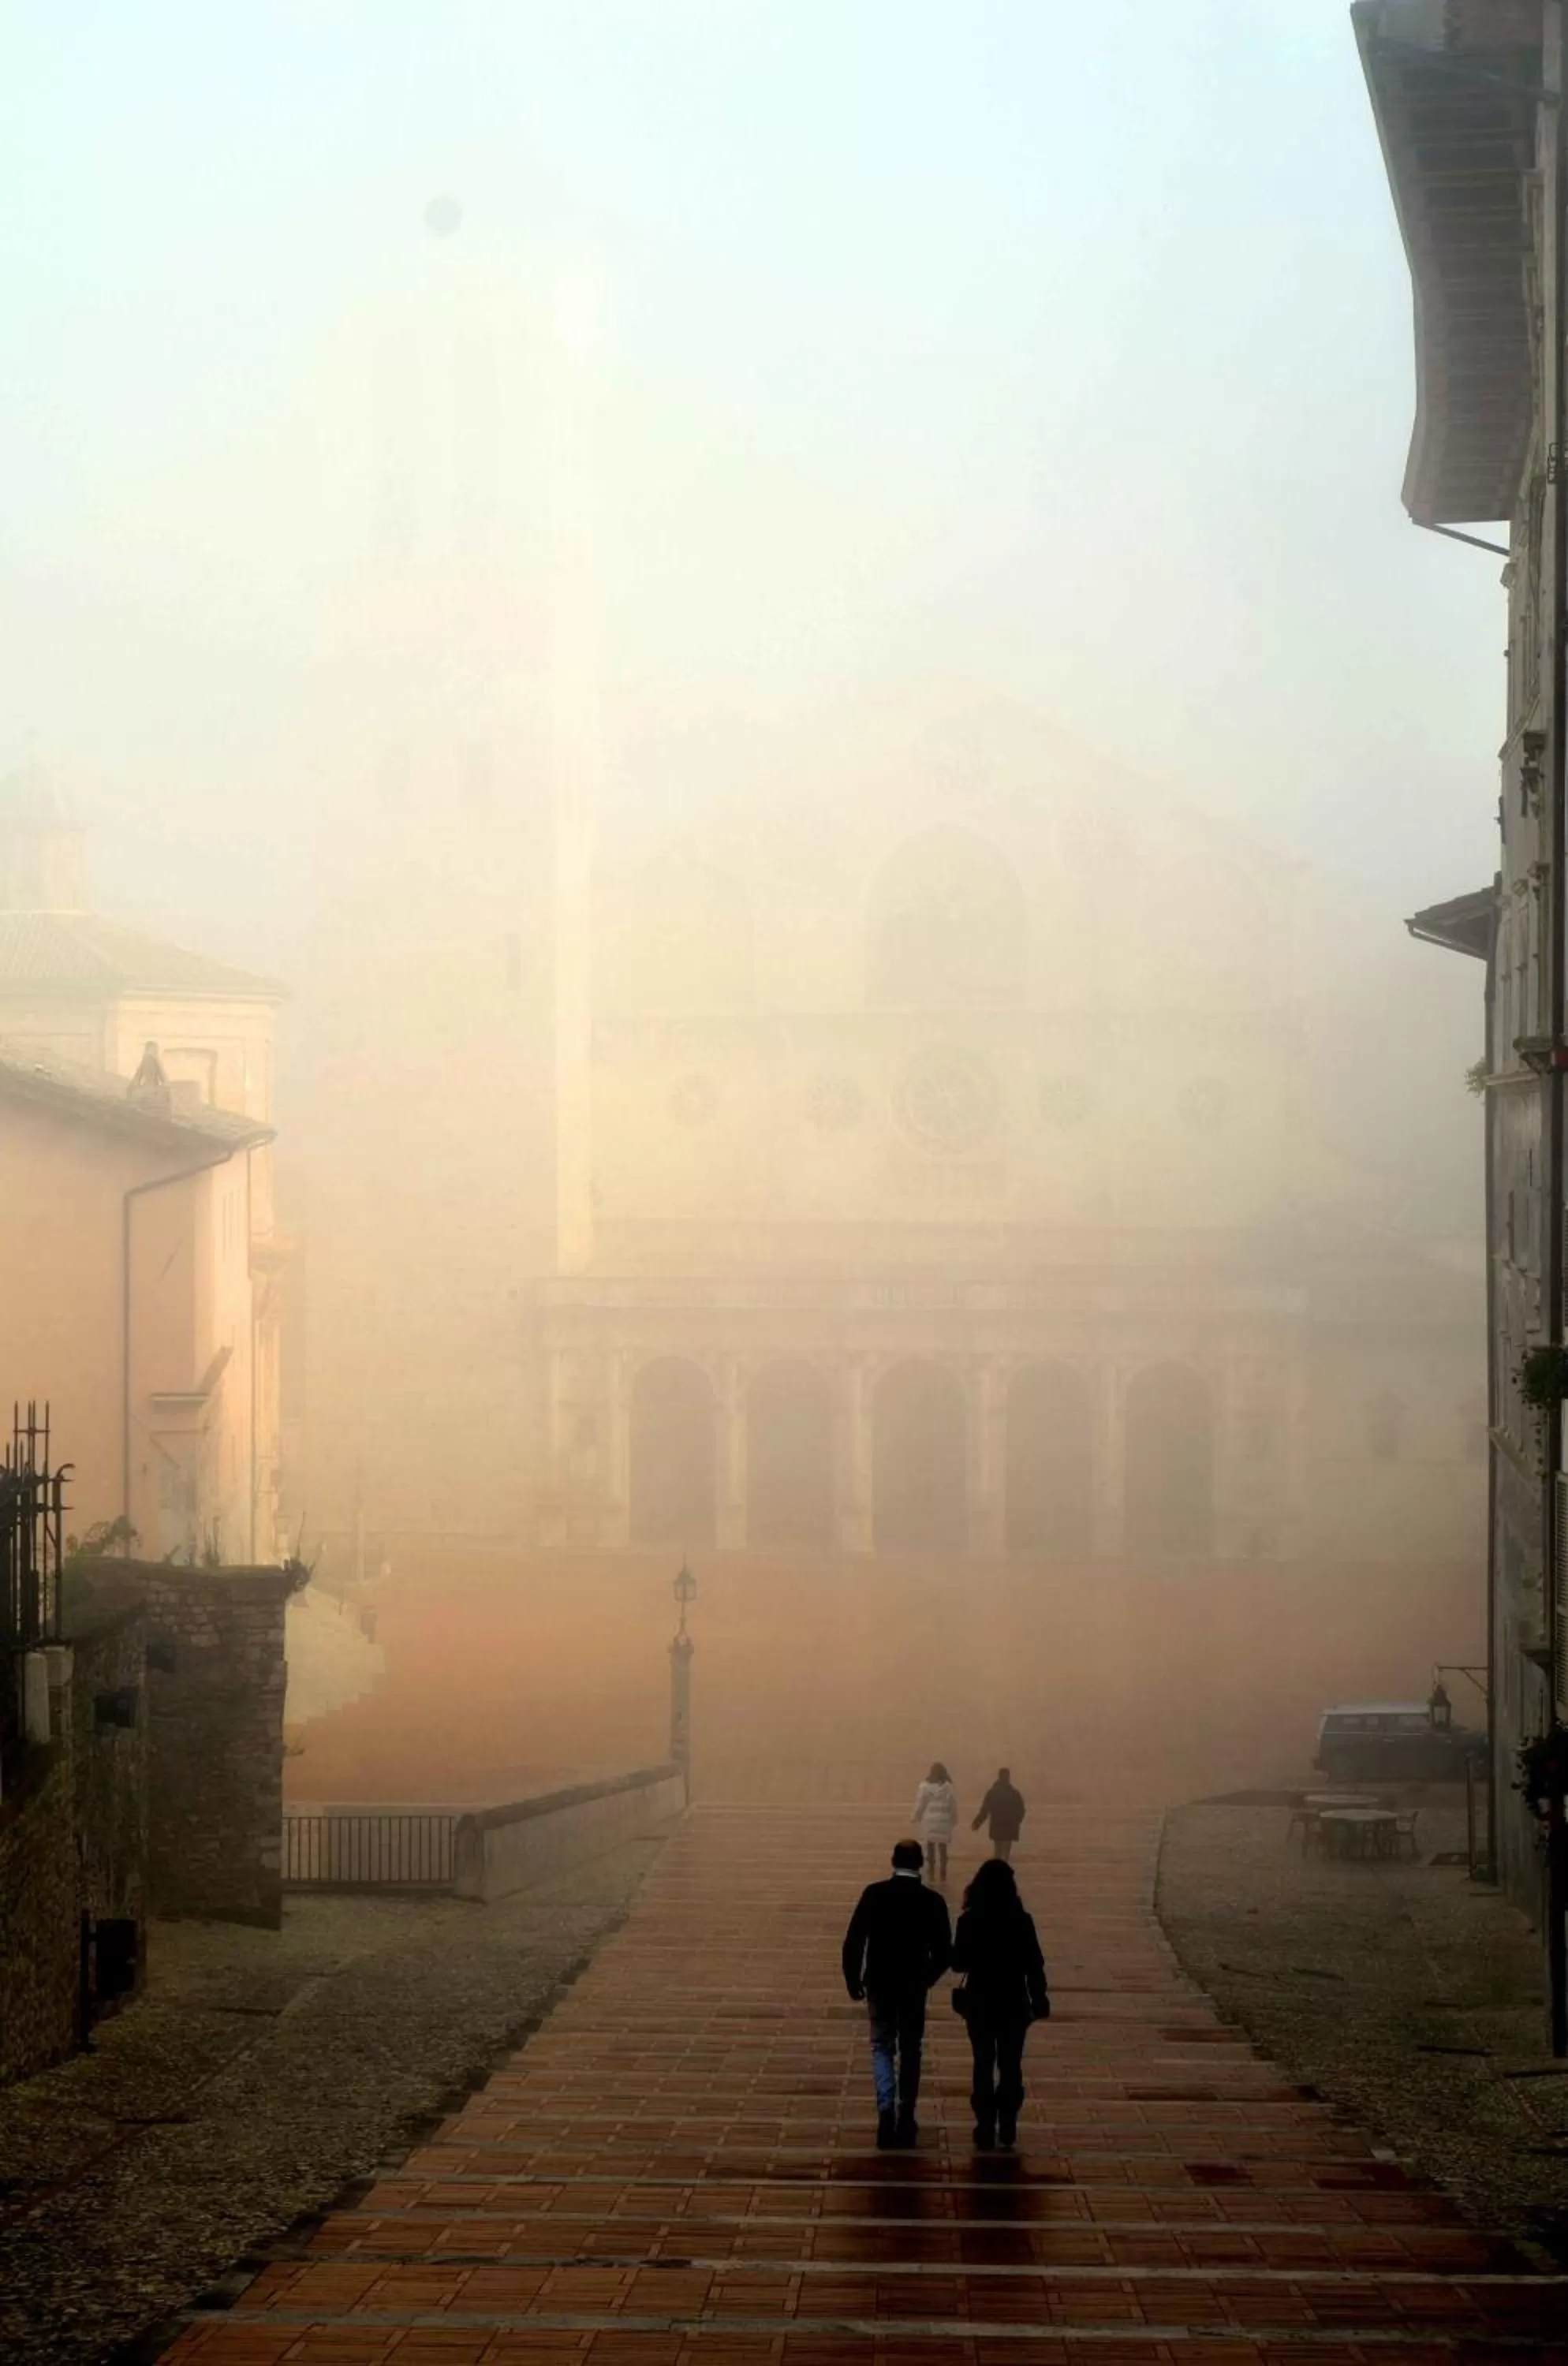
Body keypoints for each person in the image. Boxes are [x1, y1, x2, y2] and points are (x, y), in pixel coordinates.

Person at [841, 1837, 952, 2148]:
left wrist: (853, 1978)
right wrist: (926, 1978)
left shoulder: (874, 1894)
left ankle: (886, 2110)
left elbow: (854, 1939)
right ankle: (907, 2113)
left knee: (881, 2045)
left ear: (893, 1861)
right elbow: (945, 1952)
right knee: (911, 2048)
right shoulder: (932, 1901)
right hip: (913, 1986)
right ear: (921, 1863)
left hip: (879, 1982)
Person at [950, 1857, 1049, 2151]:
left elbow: (958, 1964)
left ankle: (984, 2122)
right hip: (1014, 2002)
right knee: (1010, 2063)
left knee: (982, 2062)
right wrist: (1039, 1997)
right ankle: (1008, 2121)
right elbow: (1034, 1963)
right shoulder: (1022, 1920)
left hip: (979, 2002)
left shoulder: (968, 1920)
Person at [910, 1760, 958, 1884]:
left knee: (930, 1846)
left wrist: (915, 1816)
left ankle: (931, 1872)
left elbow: (920, 1803)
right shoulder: (948, 1787)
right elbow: (953, 1804)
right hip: (944, 1820)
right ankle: (943, 1871)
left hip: (930, 1819)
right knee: (943, 1847)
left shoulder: (924, 1786)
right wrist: (954, 1818)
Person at [972, 1767, 1026, 1861]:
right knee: (1006, 1854)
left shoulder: (992, 1792)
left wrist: (977, 1823)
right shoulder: (1014, 1793)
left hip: (997, 1827)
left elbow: (985, 1810)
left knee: (997, 1852)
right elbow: (1021, 1810)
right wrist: (1017, 1822)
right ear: (1009, 1778)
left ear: (999, 1777)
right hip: (1010, 1827)